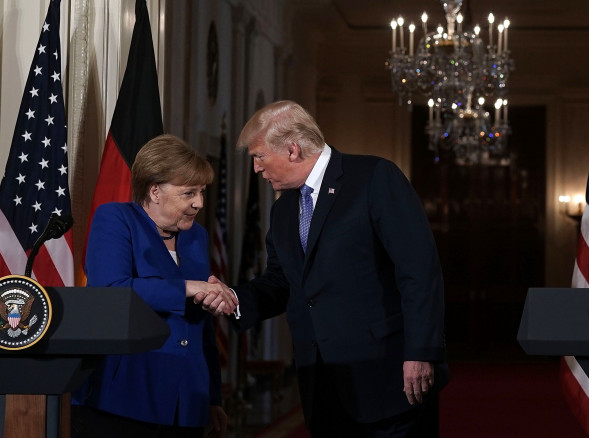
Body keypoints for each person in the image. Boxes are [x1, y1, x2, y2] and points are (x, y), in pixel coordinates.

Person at [220, 100, 449, 437]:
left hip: (388, 377)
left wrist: (420, 352)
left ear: (293, 150)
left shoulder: (374, 177)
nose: (256, 168)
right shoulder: (282, 211)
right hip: (322, 386)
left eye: (260, 156)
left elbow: (419, 271)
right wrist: (232, 299)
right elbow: (282, 282)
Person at [71, 134, 237, 438]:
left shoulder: (197, 237)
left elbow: (202, 328)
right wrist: (186, 287)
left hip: (187, 400)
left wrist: (212, 396)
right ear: (155, 191)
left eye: (201, 192)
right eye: (189, 193)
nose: (199, 203)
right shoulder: (116, 219)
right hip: (125, 395)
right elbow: (110, 290)